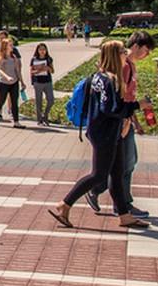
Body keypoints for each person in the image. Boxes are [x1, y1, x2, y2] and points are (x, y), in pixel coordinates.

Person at [49, 40, 150, 229]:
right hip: (105, 133)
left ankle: (124, 215)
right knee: (98, 175)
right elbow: (111, 108)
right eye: (122, 51)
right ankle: (64, 204)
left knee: (117, 174)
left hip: (110, 132)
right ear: (114, 54)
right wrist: (138, 105)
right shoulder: (108, 79)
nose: (125, 53)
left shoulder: (101, 77)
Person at [85, 30, 156, 218]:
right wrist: (127, 121)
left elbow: (127, 98)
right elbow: (119, 100)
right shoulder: (123, 68)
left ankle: (113, 200)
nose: (147, 55)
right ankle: (120, 203)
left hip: (124, 121)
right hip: (117, 123)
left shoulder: (130, 66)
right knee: (122, 165)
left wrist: (135, 121)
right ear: (136, 46)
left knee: (120, 165)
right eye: (146, 50)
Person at [0, 30, 21, 122]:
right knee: (1, 98)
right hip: (1, 79)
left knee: (13, 99)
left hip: (14, 80)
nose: (0, 39)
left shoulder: (14, 53)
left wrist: (21, 80)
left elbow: (18, 66)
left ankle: (13, 116)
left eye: (2, 38)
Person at [0, 38, 26, 128]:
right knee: (1, 101)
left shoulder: (14, 57)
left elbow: (17, 70)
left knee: (14, 102)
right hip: (3, 82)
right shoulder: (1, 57)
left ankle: (16, 121)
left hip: (14, 82)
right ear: (5, 46)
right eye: (10, 45)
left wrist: (22, 82)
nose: (12, 46)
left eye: (12, 44)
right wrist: (7, 77)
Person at [29, 43, 55, 126]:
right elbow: (31, 72)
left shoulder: (48, 59)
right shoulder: (34, 59)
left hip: (47, 81)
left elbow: (52, 71)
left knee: (51, 100)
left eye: (44, 49)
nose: (42, 51)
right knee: (38, 101)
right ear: (37, 50)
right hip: (38, 82)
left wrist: (48, 68)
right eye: (40, 49)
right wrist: (38, 71)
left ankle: (45, 115)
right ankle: (39, 120)